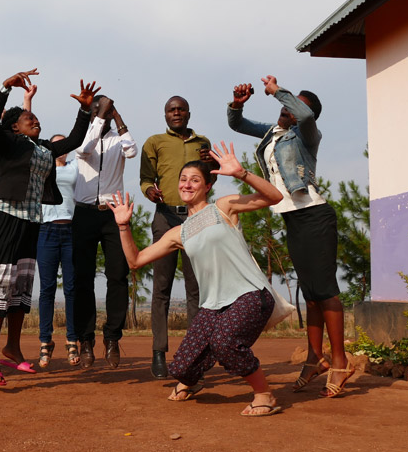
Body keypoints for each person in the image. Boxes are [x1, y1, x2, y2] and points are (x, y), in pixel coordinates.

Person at [111, 142, 286, 416]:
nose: (187, 185)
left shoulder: (223, 207)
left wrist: (242, 174)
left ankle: (264, 394)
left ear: (207, 186)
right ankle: (191, 383)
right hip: (213, 304)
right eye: (183, 180)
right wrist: (123, 226)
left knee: (224, 342)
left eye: (195, 180)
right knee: (180, 368)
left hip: (250, 294)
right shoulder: (178, 233)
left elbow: (274, 197)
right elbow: (135, 261)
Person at [227, 77, 352, 398]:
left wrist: (277, 91)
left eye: (294, 104)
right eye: (287, 102)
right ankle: (315, 358)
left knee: (325, 291)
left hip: (314, 214)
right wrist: (237, 103)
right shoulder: (272, 133)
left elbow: (308, 116)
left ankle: (340, 360)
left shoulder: (307, 135)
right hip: (291, 219)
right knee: (310, 294)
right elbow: (237, 124)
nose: (287, 107)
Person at [0, 73, 93, 387]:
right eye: (29, 118)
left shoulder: (42, 149)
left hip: (29, 223)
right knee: (1, 290)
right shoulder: (7, 143)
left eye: (36, 118)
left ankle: (12, 347)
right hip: (3, 221)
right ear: (15, 126)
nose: (35, 120)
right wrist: (5, 87)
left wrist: (84, 111)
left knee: (21, 290)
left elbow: (72, 141)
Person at [139, 96, 212, 378]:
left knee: (196, 287)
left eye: (181, 109)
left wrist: (211, 163)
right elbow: (146, 178)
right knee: (162, 286)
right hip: (165, 216)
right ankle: (159, 352)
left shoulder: (202, 143)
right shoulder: (155, 141)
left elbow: (209, 178)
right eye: (171, 110)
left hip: (197, 216)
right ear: (165, 115)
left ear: (189, 113)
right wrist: (148, 191)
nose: (176, 113)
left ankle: (191, 351)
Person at [72, 95, 138, 369]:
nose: (103, 114)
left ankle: (112, 337)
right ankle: (85, 340)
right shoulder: (84, 137)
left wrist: (117, 116)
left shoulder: (118, 138)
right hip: (85, 213)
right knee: (82, 279)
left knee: (118, 276)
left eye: (107, 110)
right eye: (98, 110)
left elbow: (132, 150)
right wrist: (97, 115)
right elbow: (84, 150)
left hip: (114, 213)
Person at [36, 130, 79, 368]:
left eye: (65, 144)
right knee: (47, 289)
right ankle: (45, 341)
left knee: (71, 289)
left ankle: (72, 339)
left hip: (71, 231)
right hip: (47, 231)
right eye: (56, 145)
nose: (61, 148)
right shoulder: (42, 168)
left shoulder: (75, 167)